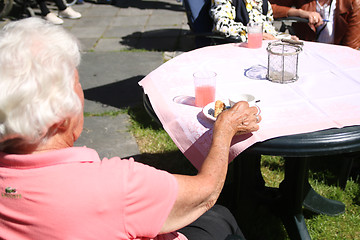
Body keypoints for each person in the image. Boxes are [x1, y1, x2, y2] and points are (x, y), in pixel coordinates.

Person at [0, 18, 261, 240]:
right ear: (59, 114)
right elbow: (205, 192)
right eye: (76, 82)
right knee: (222, 219)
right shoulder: (116, 185)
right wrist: (224, 129)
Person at [269, 0, 360, 49]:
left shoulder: (354, 3)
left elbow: (350, 48)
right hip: (305, 52)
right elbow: (269, 7)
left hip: (335, 57)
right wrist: (300, 13)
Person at [210, 0, 298, 42]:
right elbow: (223, 27)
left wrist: (285, 38)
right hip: (238, 49)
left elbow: (269, 31)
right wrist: (256, 34)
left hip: (264, 49)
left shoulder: (264, 3)